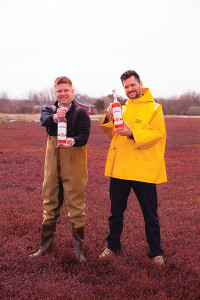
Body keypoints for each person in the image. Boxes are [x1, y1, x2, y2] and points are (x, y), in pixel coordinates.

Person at [100, 70, 167, 266]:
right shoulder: (122, 108)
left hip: (143, 170)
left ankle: (156, 252)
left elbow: (156, 134)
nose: (130, 89)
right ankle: (112, 246)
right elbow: (111, 133)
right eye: (126, 87)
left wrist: (132, 132)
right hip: (120, 169)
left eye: (132, 85)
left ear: (140, 84)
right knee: (115, 212)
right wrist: (109, 118)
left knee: (150, 213)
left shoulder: (155, 108)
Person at [29, 76, 91, 262]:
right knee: (49, 204)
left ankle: (79, 251)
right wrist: (56, 117)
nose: (63, 93)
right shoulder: (50, 110)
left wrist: (72, 141)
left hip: (74, 164)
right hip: (52, 165)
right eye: (59, 91)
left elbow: (84, 137)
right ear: (55, 93)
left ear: (72, 92)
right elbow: (44, 120)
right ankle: (44, 247)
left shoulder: (81, 113)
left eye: (66, 90)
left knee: (76, 207)